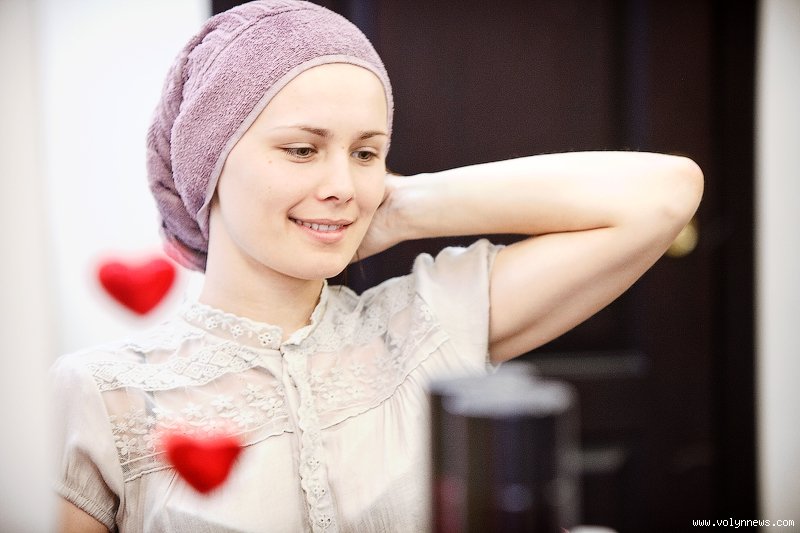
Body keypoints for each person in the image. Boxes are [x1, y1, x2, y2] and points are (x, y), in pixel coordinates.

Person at [51, 1, 704, 532]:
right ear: (207, 164)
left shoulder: (429, 322)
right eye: (302, 149)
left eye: (366, 153)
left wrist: (402, 208)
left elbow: (667, 194)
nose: (343, 185)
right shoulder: (101, 394)